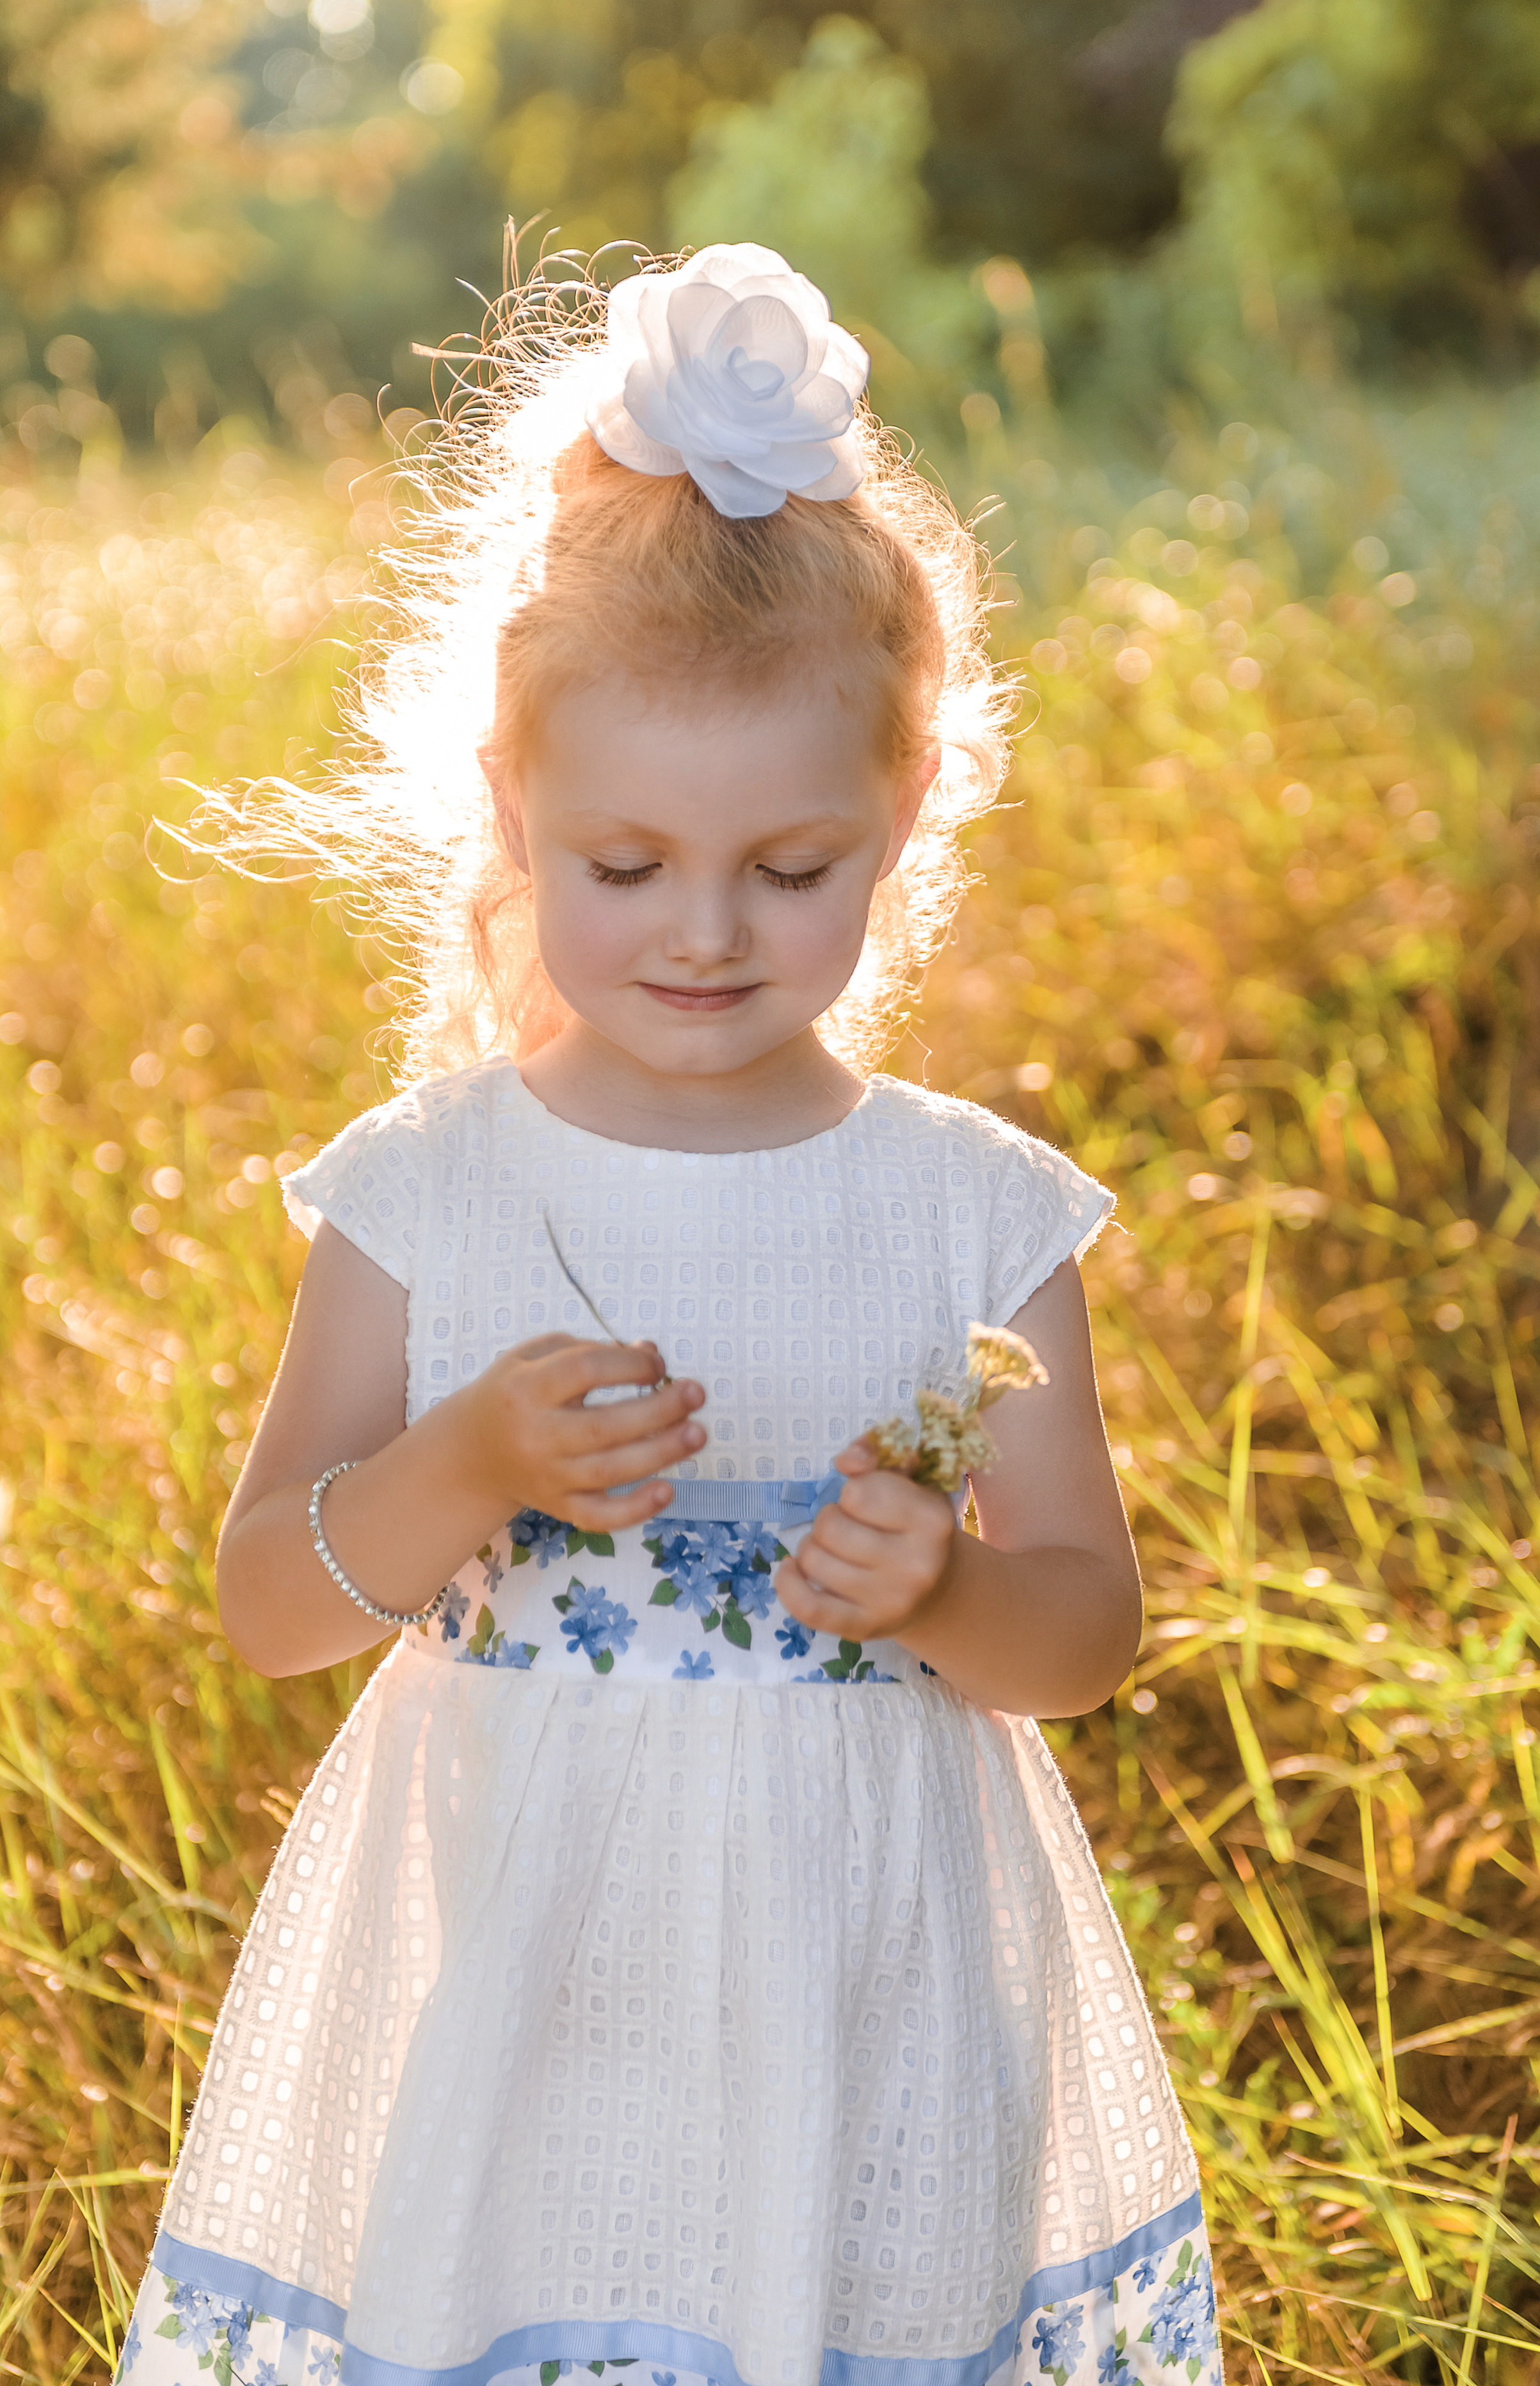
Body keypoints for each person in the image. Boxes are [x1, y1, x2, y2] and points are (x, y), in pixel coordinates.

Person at [116, 244, 1221, 2386]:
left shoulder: (970, 1212)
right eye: (625, 868)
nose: (706, 934)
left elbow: (1085, 1634)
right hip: (534, 1992)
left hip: (866, 2001)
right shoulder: (434, 1188)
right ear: (514, 814)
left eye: (790, 869)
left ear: (905, 812)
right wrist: (464, 1467)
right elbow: (270, 1602)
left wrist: (945, 1592)